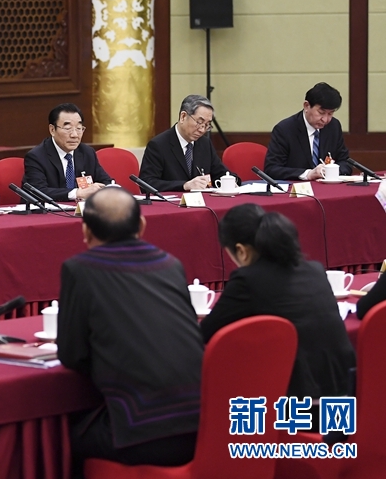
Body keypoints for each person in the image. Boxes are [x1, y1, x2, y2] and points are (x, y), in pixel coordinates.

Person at [57, 187, 203, 470]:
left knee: (61, 440)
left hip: (140, 428)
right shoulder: (170, 264)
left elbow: (72, 355)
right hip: (203, 424)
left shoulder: (80, 269)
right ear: (142, 225)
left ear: (85, 231)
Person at [201, 204, 355, 399]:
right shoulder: (315, 270)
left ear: (241, 251)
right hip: (348, 392)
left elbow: (206, 332)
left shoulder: (247, 280)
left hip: (302, 403)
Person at [139, 94, 238, 192]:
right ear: (183, 117)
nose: (202, 130)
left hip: (202, 200)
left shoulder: (205, 144)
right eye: (199, 122)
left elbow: (221, 173)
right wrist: (184, 185)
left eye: (207, 125)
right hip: (174, 201)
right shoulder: (159, 145)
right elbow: (146, 183)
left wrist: (231, 181)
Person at [263, 82, 351, 180]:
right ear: (306, 106)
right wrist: (308, 174)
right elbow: (272, 169)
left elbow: (346, 162)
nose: (325, 119)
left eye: (330, 114)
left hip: (327, 187)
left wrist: (331, 170)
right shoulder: (285, 129)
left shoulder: (333, 126)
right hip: (298, 187)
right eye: (321, 113)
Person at [23, 103, 110, 201]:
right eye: (68, 128)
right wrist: (76, 193)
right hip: (51, 210)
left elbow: (106, 181)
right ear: (52, 130)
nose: (74, 135)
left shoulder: (87, 152)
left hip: (82, 208)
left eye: (79, 128)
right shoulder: (36, 156)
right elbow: (37, 191)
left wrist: (109, 188)